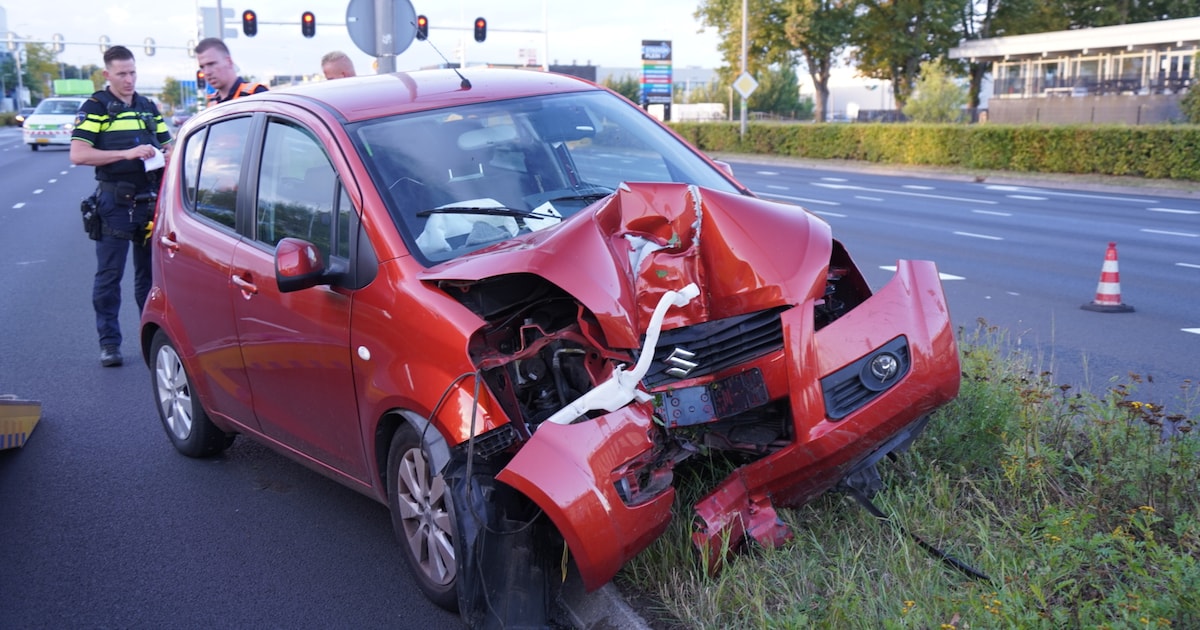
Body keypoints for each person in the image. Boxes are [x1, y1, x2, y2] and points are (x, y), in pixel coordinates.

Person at [70, 45, 173, 367]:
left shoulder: (147, 107)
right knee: (109, 276)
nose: (129, 79)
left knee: (150, 278)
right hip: (115, 203)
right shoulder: (96, 107)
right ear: (107, 75)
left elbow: (169, 145)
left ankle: (150, 343)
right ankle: (109, 344)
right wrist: (126, 154)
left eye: (132, 72)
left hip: (150, 201)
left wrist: (168, 155)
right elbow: (79, 154)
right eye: (122, 74)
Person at [195, 37, 268, 106]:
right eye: (202, 67)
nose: (207, 72)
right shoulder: (212, 104)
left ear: (229, 62)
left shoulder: (255, 94)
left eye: (211, 64)